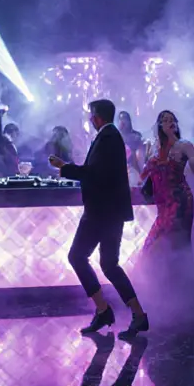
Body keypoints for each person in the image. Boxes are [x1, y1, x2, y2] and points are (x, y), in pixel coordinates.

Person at [50, 99, 149, 337]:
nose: (89, 119)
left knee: (78, 256)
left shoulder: (108, 138)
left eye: (91, 115)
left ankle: (107, 310)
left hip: (101, 212)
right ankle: (134, 314)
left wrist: (64, 167)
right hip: (107, 212)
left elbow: (94, 174)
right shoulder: (109, 136)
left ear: (97, 117)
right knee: (108, 264)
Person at [139, 110, 194, 254]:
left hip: (180, 201)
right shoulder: (154, 148)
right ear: (160, 126)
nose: (170, 122)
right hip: (163, 203)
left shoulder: (184, 145)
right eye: (166, 120)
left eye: (173, 120)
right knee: (151, 246)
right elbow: (144, 175)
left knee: (172, 246)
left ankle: (182, 276)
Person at [0, 107, 20, 177]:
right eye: (10, 131)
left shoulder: (12, 146)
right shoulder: (5, 142)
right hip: (3, 174)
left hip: (10, 174)